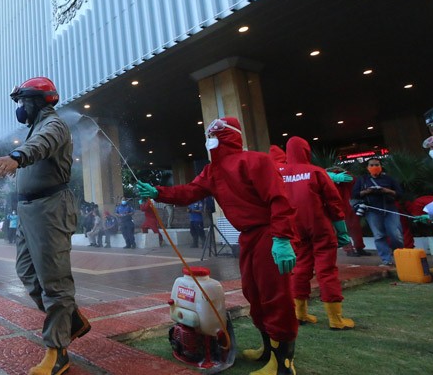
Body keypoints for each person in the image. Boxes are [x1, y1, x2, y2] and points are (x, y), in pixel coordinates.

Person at [137, 117, 298, 375]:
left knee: (275, 295)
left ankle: (284, 364)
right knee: (254, 293)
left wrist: (281, 238)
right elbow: (189, 191)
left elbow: (278, 198)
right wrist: (158, 192)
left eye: (215, 134)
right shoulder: (212, 172)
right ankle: (268, 350)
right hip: (248, 237)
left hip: (269, 233)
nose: (210, 139)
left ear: (227, 137)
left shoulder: (256, 161)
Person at [0, 76, 90, 375]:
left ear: (35, 101)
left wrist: (16, 157)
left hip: (50, 209)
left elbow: (42, 147)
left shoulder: (52, 125)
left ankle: (57, 353)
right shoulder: (34, 127)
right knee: (28, 275)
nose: (19, 108)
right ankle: (72, 321)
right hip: (29, 211)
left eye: (21, 102)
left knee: (54, 283)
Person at [278, 137, 355, 330]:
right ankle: (336, 319)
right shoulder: (316, 172)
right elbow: (334, 204)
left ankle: (299, 313)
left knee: (301, 268)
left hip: (295, 228)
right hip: (321, 227)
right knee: (326, 270)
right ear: (306, 151)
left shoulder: (280, 173)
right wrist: (342, 232)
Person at [351, 158, 404, 267]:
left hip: (390, 209)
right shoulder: (362, 179)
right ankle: (386, 260)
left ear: (381, 166)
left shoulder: (389, 179)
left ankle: (400, 256)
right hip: (372, 211)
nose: (374, 167)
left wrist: (386, 191)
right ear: (367, 168)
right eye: (371, 165)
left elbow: (399, 193)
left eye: (377, 164)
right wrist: (367, 191)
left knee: (395, 234)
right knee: (379, 235)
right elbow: (354, 194)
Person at [326, 166, 371, 257]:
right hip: (340, 206)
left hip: (345, 206)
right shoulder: (327, 178)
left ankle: (355, 248)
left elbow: (354, 182)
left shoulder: (344, 177)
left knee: (349, 229)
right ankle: (353, 249)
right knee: (348, 229)